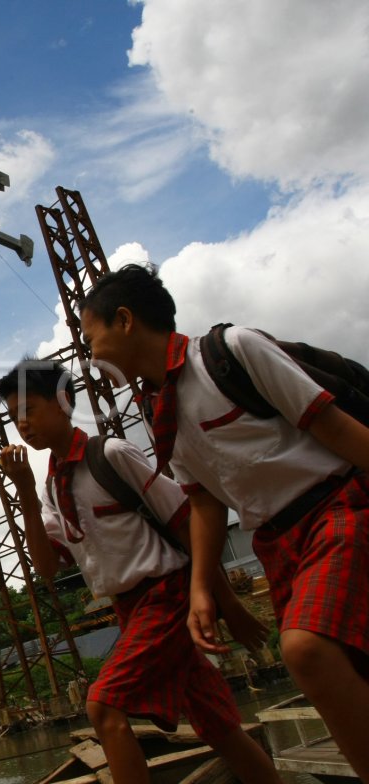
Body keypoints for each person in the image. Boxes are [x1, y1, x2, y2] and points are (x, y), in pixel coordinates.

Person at [79, 263, 369, 781]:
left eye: (90, 335)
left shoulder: (231, 352)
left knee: (305, 650)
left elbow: (335, 427)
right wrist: (201, 592)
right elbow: (206, 503)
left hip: (335, 509)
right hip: (278, 545)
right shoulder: (157, 406)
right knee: (342, 667)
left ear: (124, 320)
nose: (90, 352)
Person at [0, 360, 280, 784]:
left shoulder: (111, 455)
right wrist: (24, 495)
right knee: (221, 729)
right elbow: (48, 567)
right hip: (130, 611)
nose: (22, 424)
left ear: (62, 401)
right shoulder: (52, 486)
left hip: (165, 596)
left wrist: (227, 603)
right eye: (14, 416)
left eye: (29, 409)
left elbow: (185, 524)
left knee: (103, 706)